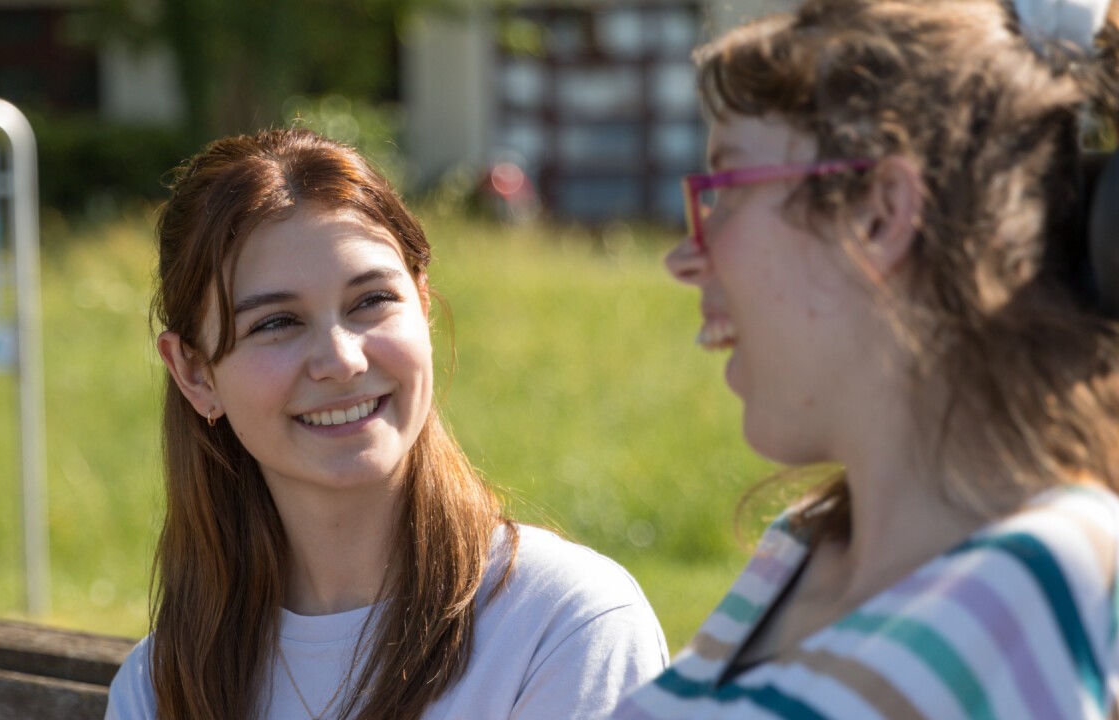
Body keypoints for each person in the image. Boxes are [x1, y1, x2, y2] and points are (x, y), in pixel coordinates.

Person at [615, 0, 1119, 717]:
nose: (684, 257)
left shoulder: (1040, 583)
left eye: (723, 191)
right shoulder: (802, 547)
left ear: (878, 215)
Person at [104, 127, 667, 720]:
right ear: (194, 373)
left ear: (423, 305)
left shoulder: (561, 627)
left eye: (371, 301)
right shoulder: (163, 682)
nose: (343, 360)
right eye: (276, 323)